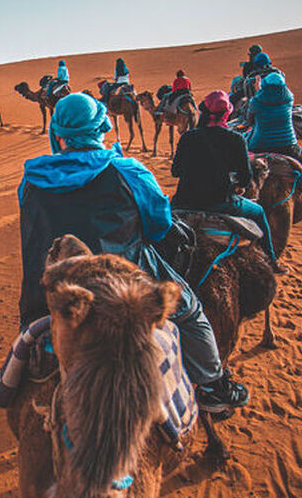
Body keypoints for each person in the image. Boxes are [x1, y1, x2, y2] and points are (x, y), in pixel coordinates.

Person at [17, 92, 249, 412]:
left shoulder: (31, 179)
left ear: (57, 133)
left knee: (32, 329)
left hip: (46, 292)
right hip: (123, 288)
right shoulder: (128, 171)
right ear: (102, 127)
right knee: (191, 312)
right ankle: (213, 386)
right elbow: (158, 226)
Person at [171, 90, 285, 273]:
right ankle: (271, 260)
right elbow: (246, 178)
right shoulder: (236, 139)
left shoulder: (188, 137)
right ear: (227, 114)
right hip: (221, 203)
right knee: (259, 212)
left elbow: (175, 171)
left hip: (184, 201)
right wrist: (238, 187)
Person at [247, 72, 301, 163]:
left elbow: (249, 120)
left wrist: (258, 89)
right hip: (288, 144)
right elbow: (275, 96)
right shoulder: (289, 99)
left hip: (259, 145)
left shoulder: (255, 101)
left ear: (265, 85)